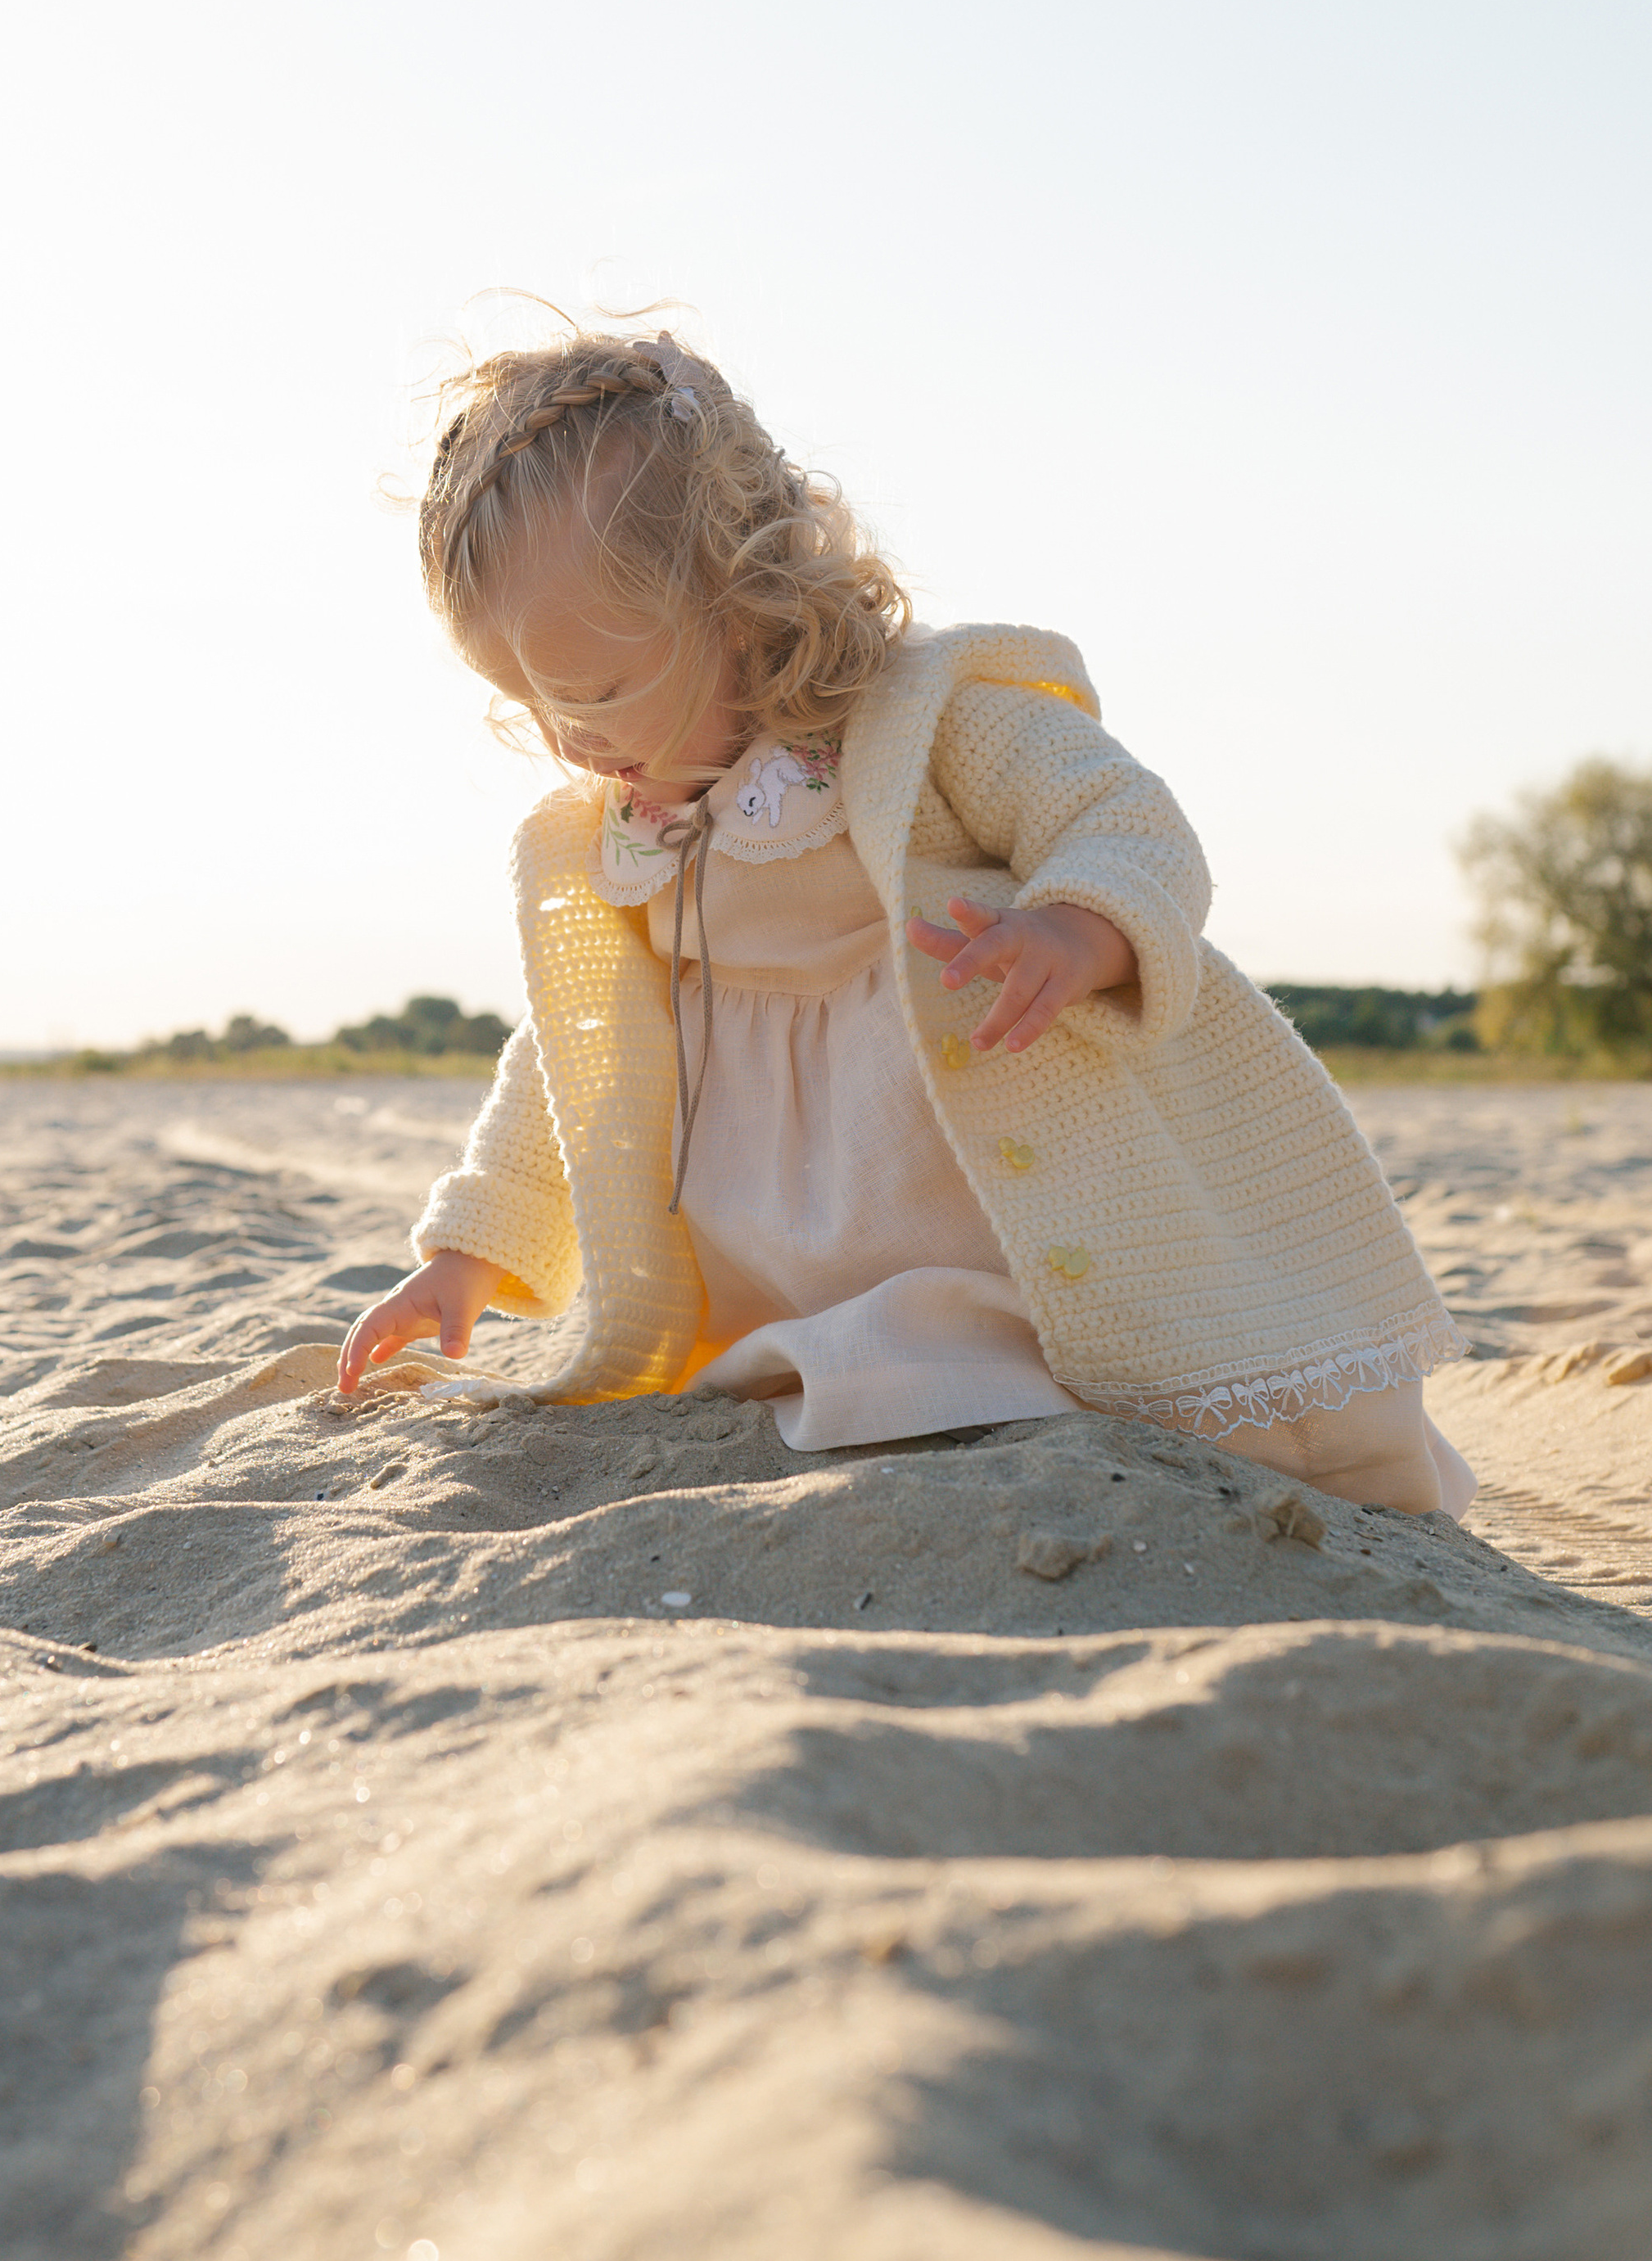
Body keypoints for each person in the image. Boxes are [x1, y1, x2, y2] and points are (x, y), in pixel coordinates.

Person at [339, 323, 1475, 1515]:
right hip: (805, 1260)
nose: (570, 741)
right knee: (850, 1376)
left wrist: (1076, 929)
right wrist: (468, 1256)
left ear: (740, 598)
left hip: (995, 1201)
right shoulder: (617, 844)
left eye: (598, 691)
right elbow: (572, 1066)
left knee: (1065, 1359)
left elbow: (1125, 818)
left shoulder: (926, 722)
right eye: (524, 704)